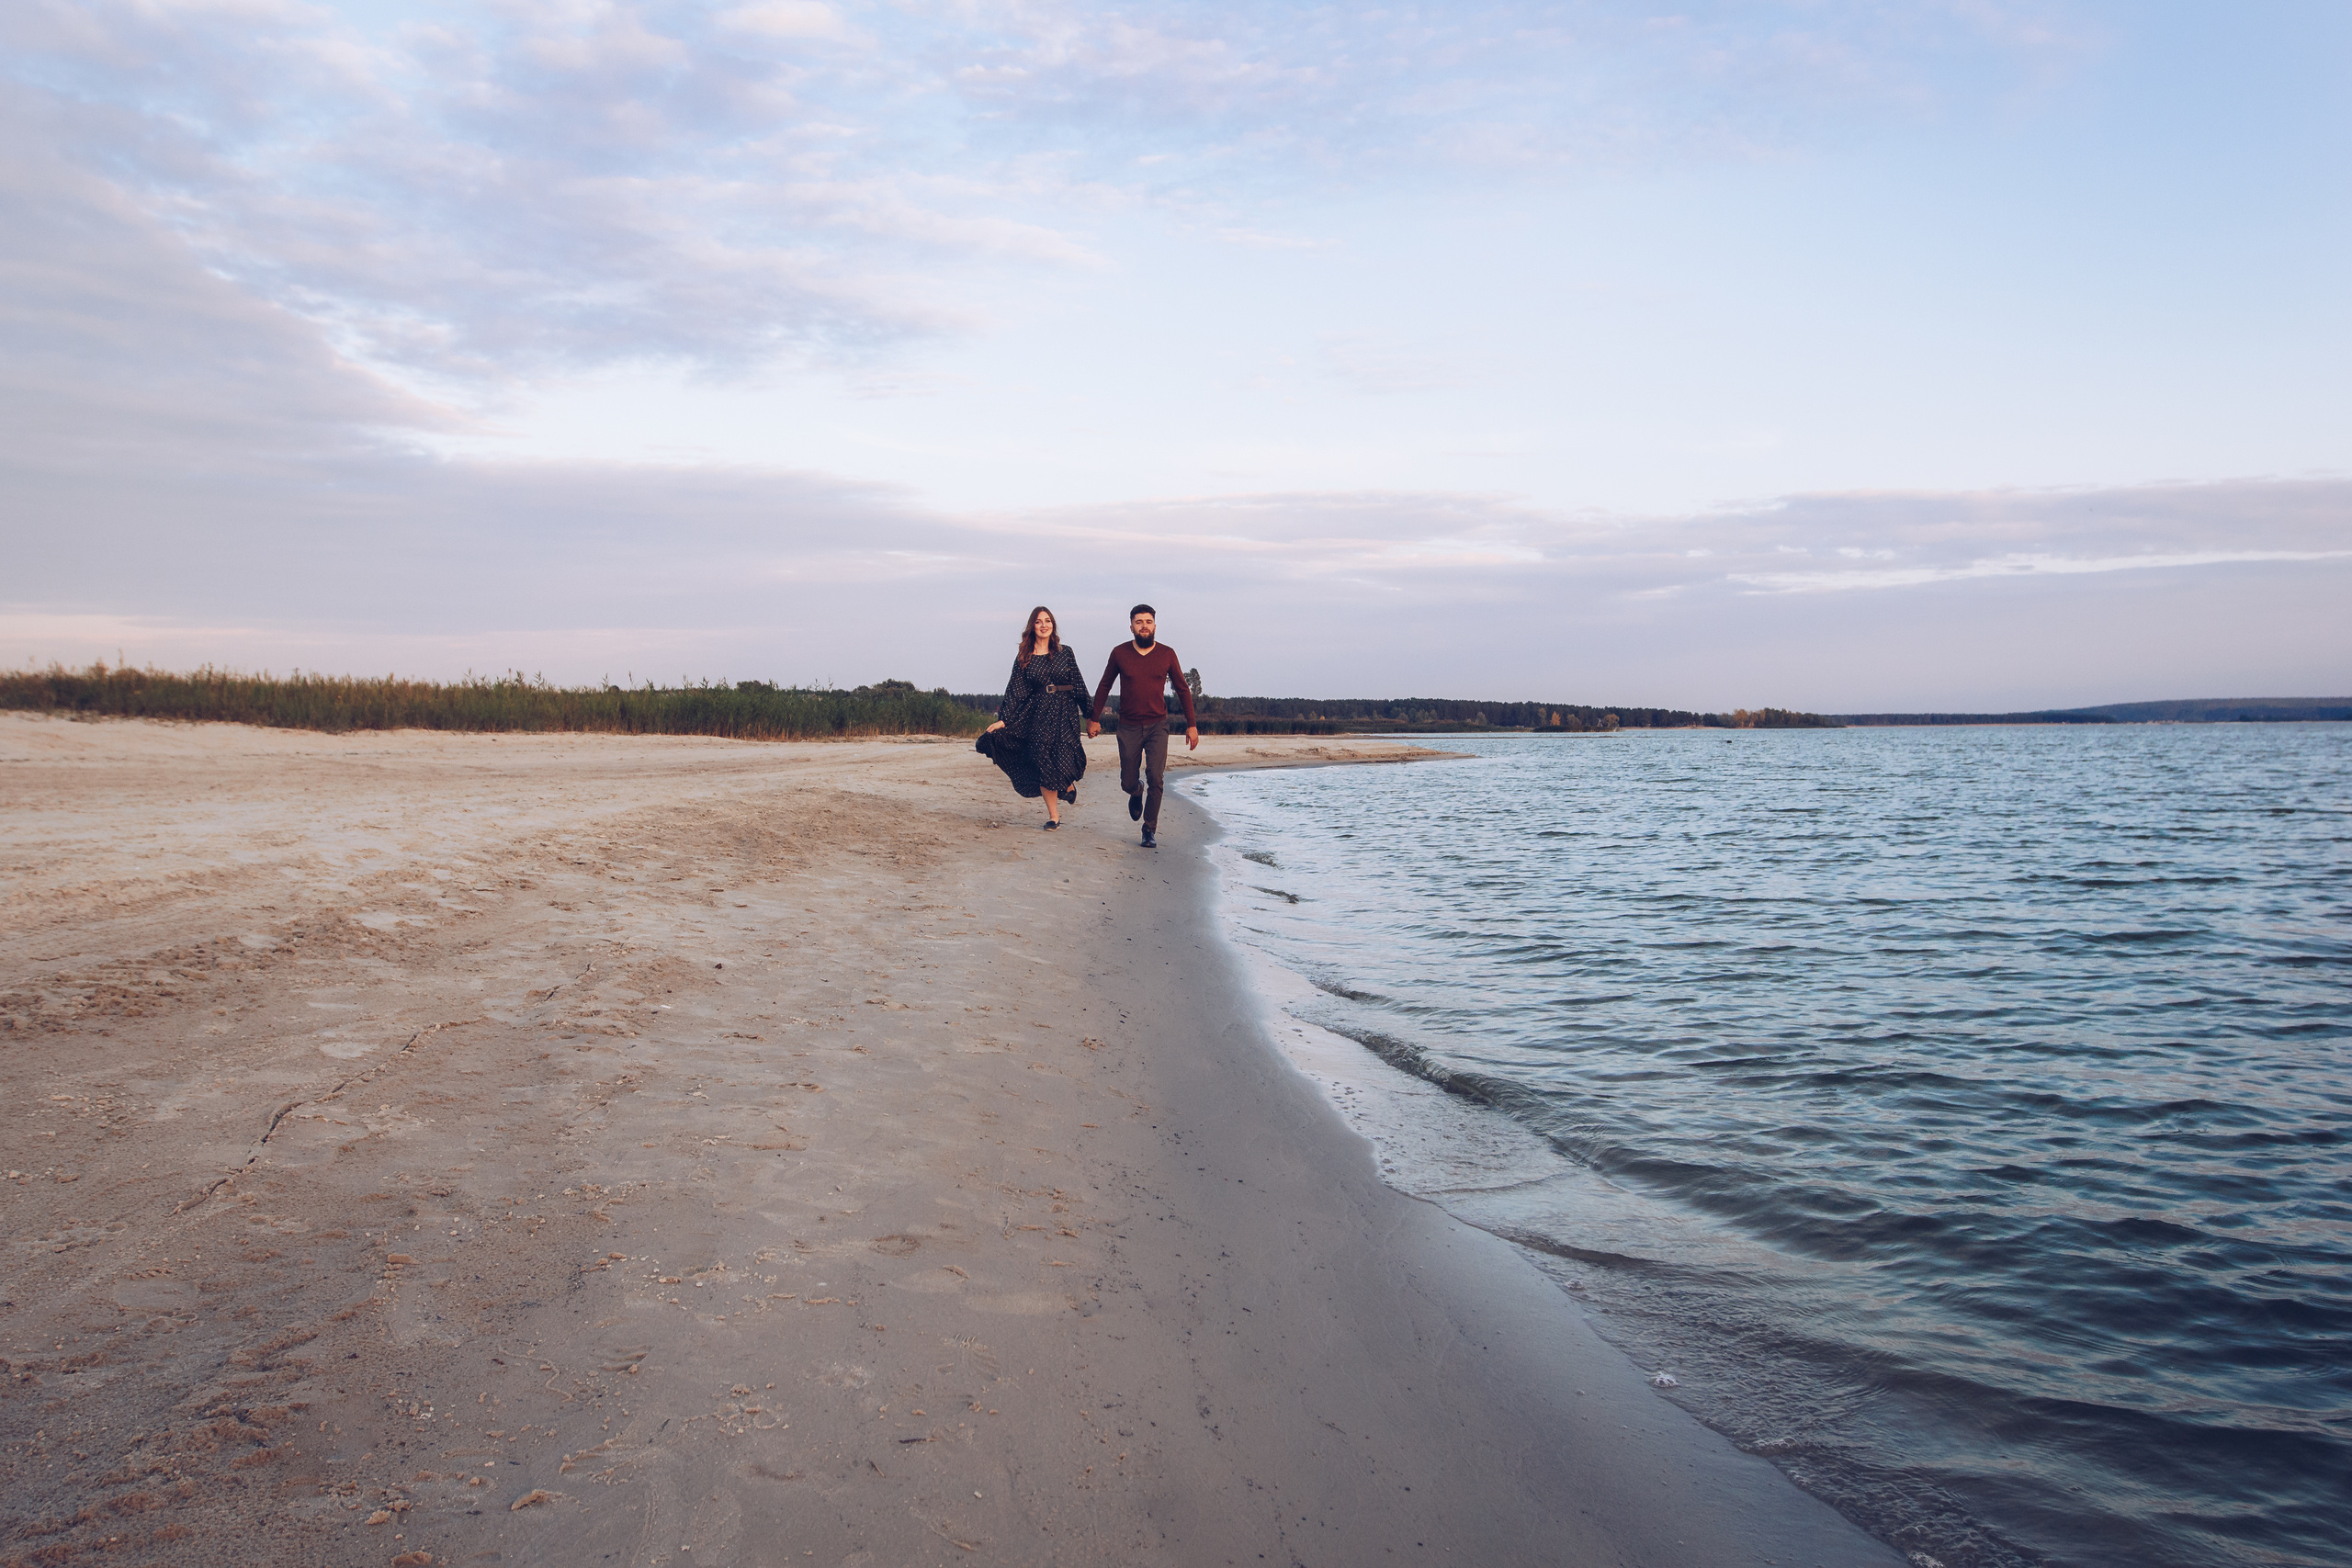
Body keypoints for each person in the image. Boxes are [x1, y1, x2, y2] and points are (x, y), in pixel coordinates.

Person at [1087, 604, 1198, 848]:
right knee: (1128, 781)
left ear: (1155, 626)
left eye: (1148, 622)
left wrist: (1192, 724)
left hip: (1158, 725)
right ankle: (1136, 792)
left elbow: (1182, 688)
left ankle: (1149, 830)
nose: (1144, 626)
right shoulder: (1120, 653)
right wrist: (1094, 718)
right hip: (1128, 726)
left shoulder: (1167, 654)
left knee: (1156, 778)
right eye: (1139, 622)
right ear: (1131, 627)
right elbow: (1105, 684)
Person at [982, 606, 1089, 829]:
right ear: (1032, 627)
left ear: (1053, 625)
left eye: (1047, 620)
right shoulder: (1025, 657)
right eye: (1039, 621)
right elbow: (1015, 692)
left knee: (1065, 758)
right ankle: (1054, 816)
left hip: (1065, 711)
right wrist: (1004, 720)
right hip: (1037, 715)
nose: (1043, 625)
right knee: (1042, 762)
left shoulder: (1065, 652)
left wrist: (1091, 715)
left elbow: (1078, 684)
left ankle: (1067, 785)